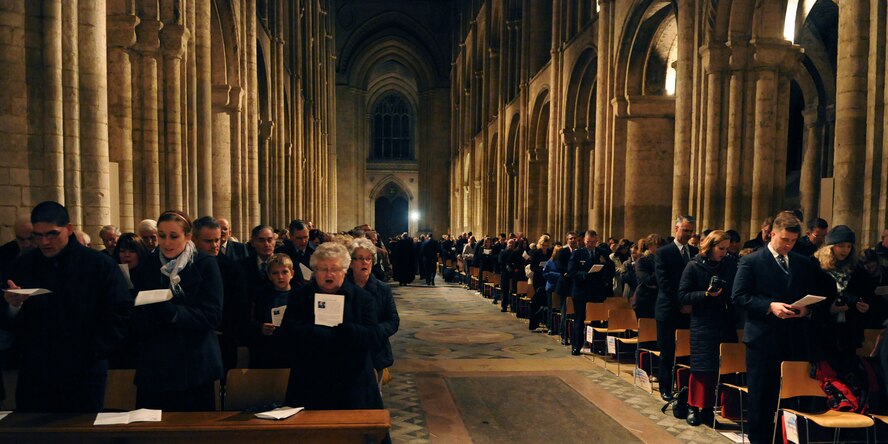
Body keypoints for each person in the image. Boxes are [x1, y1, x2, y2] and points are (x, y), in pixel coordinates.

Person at [1, 201, 132, 412]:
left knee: (80, 433)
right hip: (36, 371)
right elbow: (9, 318)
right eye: (38, 235)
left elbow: (120, 312)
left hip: (83, 370)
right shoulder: (23, 264)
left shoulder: (98, 265)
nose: (44, 242)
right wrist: (13, 306)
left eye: (52, 234)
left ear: (69, 229)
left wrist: (95, 351)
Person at [732, 211, 824, 444]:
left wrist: (807, 310)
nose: (788, 245)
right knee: (762, 397)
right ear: (772, 234)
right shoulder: (751, 261)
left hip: (794, 338)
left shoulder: (802, 263)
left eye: (793, 241)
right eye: (784, 240)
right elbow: (739, 297)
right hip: (763, 339)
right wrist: (769, 306)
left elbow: (814, 295)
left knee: (792, 396)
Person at [131, 210, 224, 411]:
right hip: (156, 363)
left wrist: (174, 313)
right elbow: (137, 313)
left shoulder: (204, 264)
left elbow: (213, 316)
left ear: (188, 236)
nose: (166, 242)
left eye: (174, 236)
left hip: (194, 364)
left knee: (191, 430)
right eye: (161, 236)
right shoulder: (148, 265)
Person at [278, 242, 384, 410]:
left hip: (352, 383)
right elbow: (287, 334)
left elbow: (374, 337)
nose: (329, 274)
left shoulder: (362, 298)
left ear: (344, 270)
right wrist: (314, 332)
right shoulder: (300, 296)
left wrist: (350, 331)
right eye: (322, 269)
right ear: (315, 271)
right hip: (310, 380)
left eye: (334, 269)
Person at [678, 230, 739, 426]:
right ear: (710, 246)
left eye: (727, 249)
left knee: (719, 371)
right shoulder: (693, 266)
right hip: (703, 323)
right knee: (701, 369)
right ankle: (693, 407)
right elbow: (683, 296)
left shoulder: (729, 265)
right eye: (721, 249)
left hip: (725, 322)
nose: (724, 252)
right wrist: (705, 295)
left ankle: (708, 410)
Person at [192, 216, 249, 372]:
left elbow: (239, 305)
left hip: (224, 336)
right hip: (195, 336)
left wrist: (225, 328)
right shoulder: (187, 266)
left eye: (217, 240)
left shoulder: (233, 268)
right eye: (208, 241)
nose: (214, 245)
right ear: (194, 239)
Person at [813, 225, 872, 371]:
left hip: (849, 329)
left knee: (848, 371)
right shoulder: (816, 266)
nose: (846, 250)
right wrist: (828, 308)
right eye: (841, 246)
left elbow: (867, 294)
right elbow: (811, 296)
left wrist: (865, 306)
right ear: (830, 247)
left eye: (849, 246)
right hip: (823, 329)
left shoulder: (857, 268)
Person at [654, 215, 697, 401]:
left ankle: (685, 388)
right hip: (669, 310)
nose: (687, 234)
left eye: (690, 231)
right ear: (676, 229)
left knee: (688, 351)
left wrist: (692, 304)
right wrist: (682, 304)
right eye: (684, 230)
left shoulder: (695, 252)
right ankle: (665, 386)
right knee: (668, 350)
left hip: (690, 310)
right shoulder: (663, 253)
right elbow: (665, 284)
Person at [347, 238, 399, 385]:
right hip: (348, 351)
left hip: (375, 350)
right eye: (360, 259)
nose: (365, 262)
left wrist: (376, 332)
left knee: (374, 397)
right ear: (351, 262)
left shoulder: (383, 289)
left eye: (368, 259)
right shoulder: (342, 288)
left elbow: (393, 320)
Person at [568, 230, 616, 356]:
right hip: (581, 291)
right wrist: (585, 275)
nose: (591, 244)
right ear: (584, 240)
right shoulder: (578, 253)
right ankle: (576, 346)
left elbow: (611, 269)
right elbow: (571, 272)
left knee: (597, 319)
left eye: (593, 242)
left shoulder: (602, 253)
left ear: (597, 241)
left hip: (597, 291)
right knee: (579, 319)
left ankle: (597, 346)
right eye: (588, 242)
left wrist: (603, 275)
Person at [109, 233, 149, 369]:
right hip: (119, 337)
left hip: (142, 337)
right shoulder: (112, 275)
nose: (126, 255)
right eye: (122, 251)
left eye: (132, 251)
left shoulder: (148, 275)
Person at [248, 253, 294, 368]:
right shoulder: (261, 295)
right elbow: (249, 321)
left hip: (292, 349)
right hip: (268, 349)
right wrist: (261, 327)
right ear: (269, 276)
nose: (280, 277)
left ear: (292, 274)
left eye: (284, 272)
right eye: (275, 273)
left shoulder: (301, 294)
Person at [555, 232, 579, 345]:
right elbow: (559, 266)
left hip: (576, 285)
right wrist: (569, 272)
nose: (573, 240)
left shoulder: (579, 252)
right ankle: (564, 335)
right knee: (565, 312)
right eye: (571, 239)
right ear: (567, 240)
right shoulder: (562, 252)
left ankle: (574, 336)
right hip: (565, 285)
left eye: (575, 238)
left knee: (575, 313)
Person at [632, 234, 664, 319]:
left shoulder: (663, 260)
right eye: (657, 246)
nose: (660, 248)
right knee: (644, 330)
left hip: (658, 300)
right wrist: (660, 271)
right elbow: (647, 279)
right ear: (650, 246)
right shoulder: (642, 261)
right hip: (643, 300)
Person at [529, 235, 552, 330]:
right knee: (537, 301)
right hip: (538, 279)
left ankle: (545, 321)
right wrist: (541, 268)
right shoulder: (536, 253)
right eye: (543, 245)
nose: (544, 247)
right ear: (540, 244)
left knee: (546, 301)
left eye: (546, 245)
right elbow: (532, 267)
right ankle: (535, 323)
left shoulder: (550, 253)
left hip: (547, 279)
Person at [541, 244, 563, 335]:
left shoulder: (563, 261)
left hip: (561, 287)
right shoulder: (550, 262)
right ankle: (550, 327)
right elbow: (545, 274)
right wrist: (558, 276)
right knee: (551, 308)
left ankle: (559, 328)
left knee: (560, 309)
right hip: (552, 287)